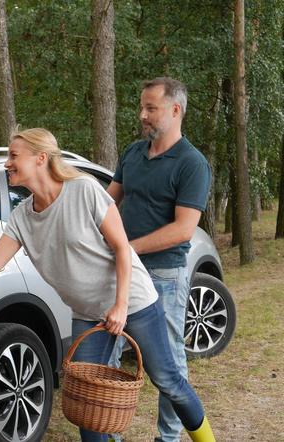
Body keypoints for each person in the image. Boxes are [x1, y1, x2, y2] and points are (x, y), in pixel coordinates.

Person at [0, 128, 215, 442]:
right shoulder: (22, 217)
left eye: (14, 156)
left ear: (41, 158)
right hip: (87, 311)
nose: (7, 163)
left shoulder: (83, 190)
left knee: (168, 380)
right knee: (88, 398)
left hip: (135, 302)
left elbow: (121, 248)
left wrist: (121, 304)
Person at [106, 77, 212, 442]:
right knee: (105, 354)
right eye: (142, 107)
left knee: (167, 365)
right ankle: (108, 435)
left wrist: (127, 248)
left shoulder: (192, 163)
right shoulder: (133, 153)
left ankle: (168, 438)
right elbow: (108, 202)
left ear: (175, 110)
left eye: (150, 108)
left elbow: (183, 230)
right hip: (121, 271)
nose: (142, 115)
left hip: (164, 273)